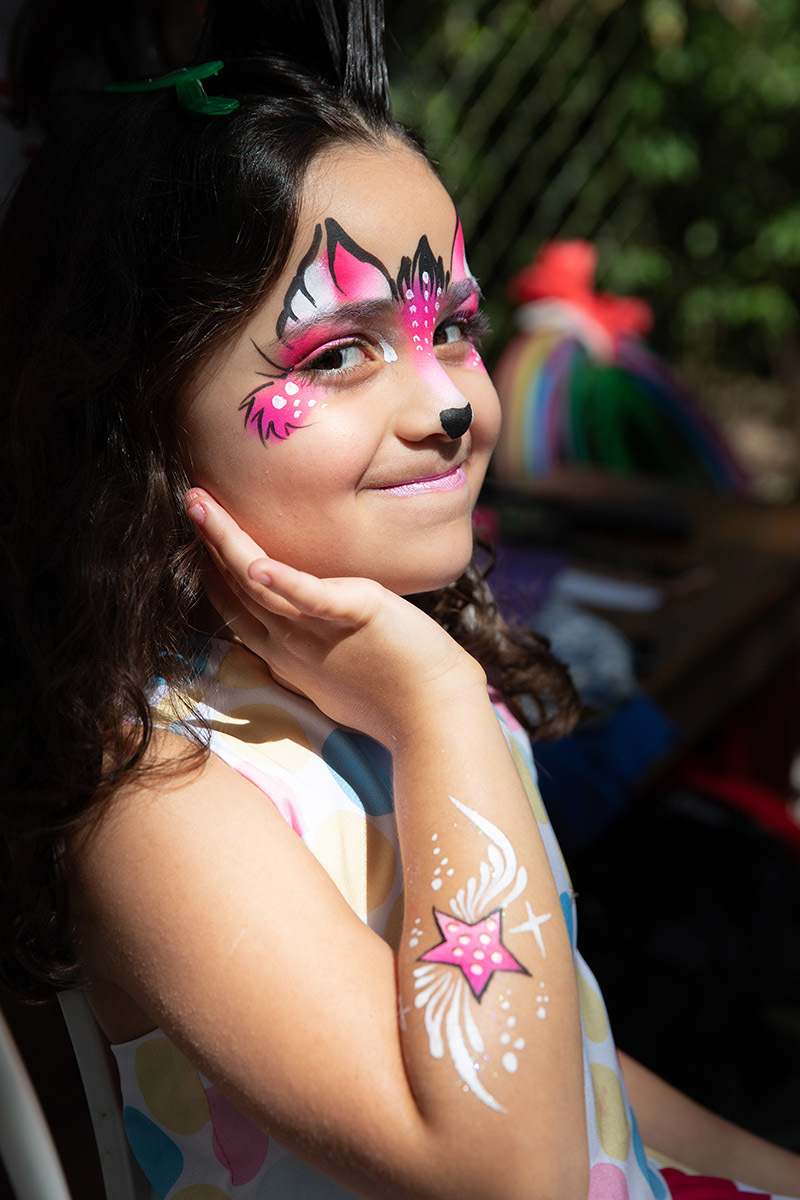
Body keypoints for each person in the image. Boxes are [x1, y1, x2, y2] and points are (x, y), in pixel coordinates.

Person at [1, 3, 799, 1197]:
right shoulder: (159, 802)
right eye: (336, 353)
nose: (448, 404)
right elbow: (507, 1169)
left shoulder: (369, 665)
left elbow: (564, 1065)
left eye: (453, 328)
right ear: (138, 425)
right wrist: (437, 710)